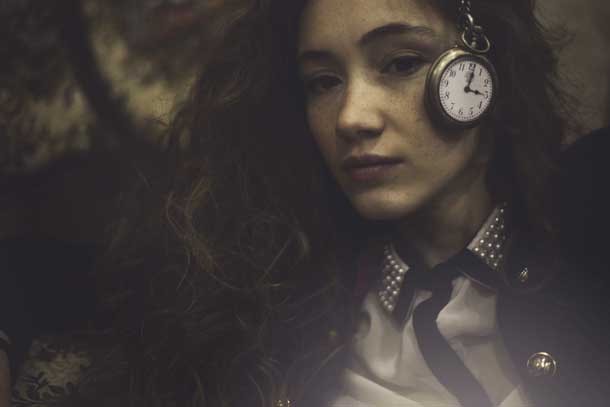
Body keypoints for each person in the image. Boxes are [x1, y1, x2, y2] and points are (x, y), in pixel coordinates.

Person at [93, 0, 610, 406]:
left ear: (485, 70)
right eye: (323, 82)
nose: (351, 118)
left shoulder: (586, 235)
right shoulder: (276, 299)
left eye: (402, 63)